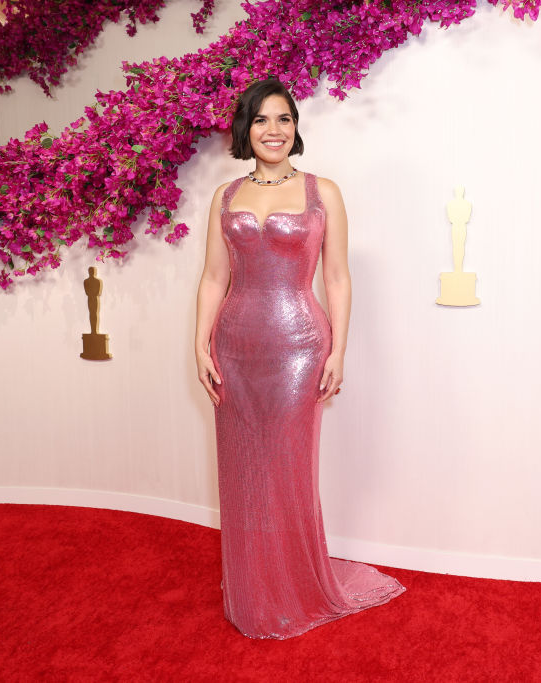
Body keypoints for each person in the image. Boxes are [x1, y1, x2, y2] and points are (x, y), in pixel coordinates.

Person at [194, 78, 405, 639]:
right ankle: (252, 588)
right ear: (246, 128)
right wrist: (199, 342)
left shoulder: (323, 191)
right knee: (242, 470)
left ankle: (294, 587)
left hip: (299, 347)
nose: (273, 130)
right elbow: (214, 277)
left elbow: (336, 275)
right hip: (235, 344)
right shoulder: (225, 196)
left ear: (295, 128)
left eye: (283, 119)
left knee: (287, 468)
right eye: (262, 120)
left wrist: (339, 347)